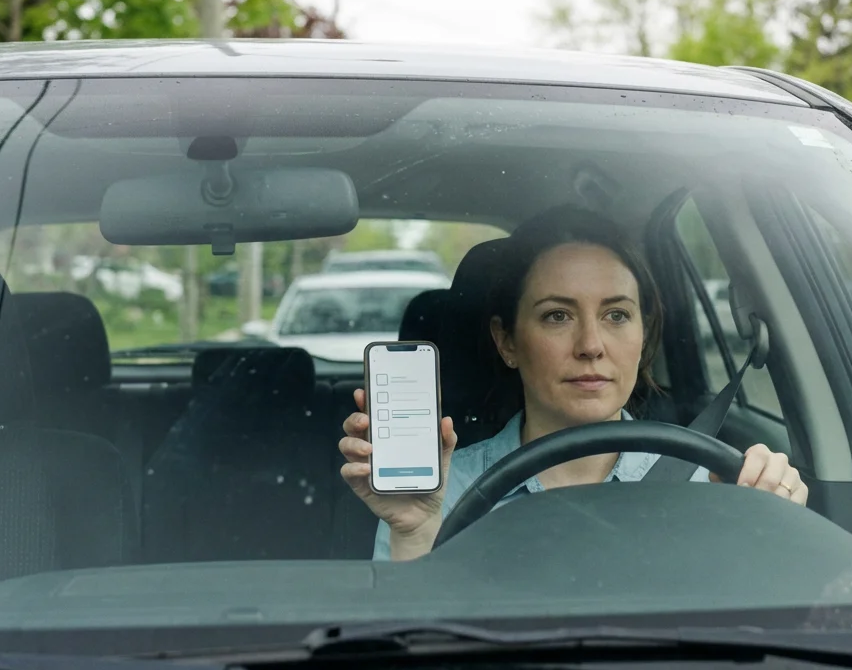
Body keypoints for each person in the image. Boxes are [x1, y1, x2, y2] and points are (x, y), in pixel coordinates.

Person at [339, 206, 808, 561]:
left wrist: (774, 525)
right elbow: (411, 665)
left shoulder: (709, 484)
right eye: (558, 316)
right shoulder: (441, 491)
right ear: (507, 342)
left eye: (617, 315)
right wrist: (415, 533)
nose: (590, 344)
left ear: (643, 335)